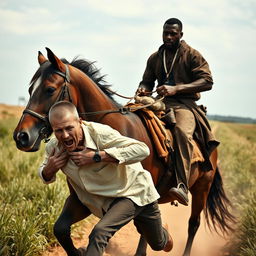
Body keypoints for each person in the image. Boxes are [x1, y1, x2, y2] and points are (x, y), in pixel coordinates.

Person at [38, 101, 173, 256]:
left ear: (80, 122)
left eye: (69, 128)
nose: (65, 135)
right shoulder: (54, 147)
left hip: (131, 192)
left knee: (157, 244)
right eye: (59, 130)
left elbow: (142, 149)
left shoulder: (100, 134)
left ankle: (164, 234)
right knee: (61, 229)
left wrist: (97, 156)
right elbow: (43, 171)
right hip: (97, 197)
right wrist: (49, 169)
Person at [136, 18, 217, 206]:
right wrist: (143, 88)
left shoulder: (192, 55)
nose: (169, 36)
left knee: (181, 132)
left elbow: (207, 81)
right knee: (134, 120)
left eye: (173, 33)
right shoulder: (155, 57)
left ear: (181, 35)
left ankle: (181, 184)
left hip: (184, 104)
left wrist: (177, 89)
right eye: (166, 33)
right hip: (159, 102)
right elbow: (147, 81)